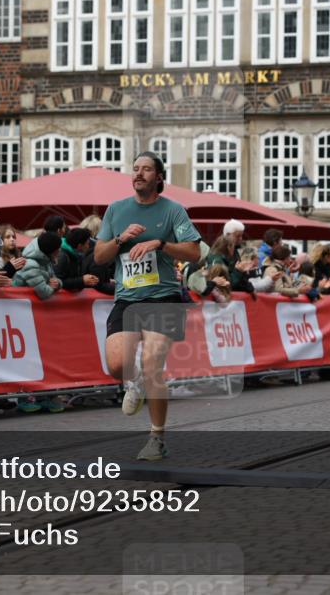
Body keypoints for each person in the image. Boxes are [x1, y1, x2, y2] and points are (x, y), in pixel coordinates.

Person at [93, 151, 201, 461]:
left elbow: (194, 253)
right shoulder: (116, 210)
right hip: (127, 299)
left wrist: (161, 244)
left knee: (153, 364)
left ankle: (156, 437)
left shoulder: (173, 211)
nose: (139, 173)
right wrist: (120, 239)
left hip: (163, 298)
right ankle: (133, 382)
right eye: (135, 168)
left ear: (159, 177)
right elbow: (100, 257)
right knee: (116, 365)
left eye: (146, 169)